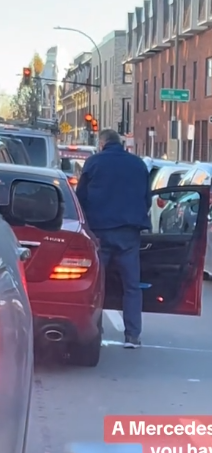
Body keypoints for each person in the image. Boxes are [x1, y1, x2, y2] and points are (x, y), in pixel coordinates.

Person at [76, 129, 151, 349]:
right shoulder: (138, 164)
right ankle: (132, 336)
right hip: (129, 233)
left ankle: (93, 331)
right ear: (120, 143)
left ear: (102, 143)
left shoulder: (94, 163)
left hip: (100, 231)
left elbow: (81, 198)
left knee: (96, 285)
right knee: (131, 286)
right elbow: (146, 199)